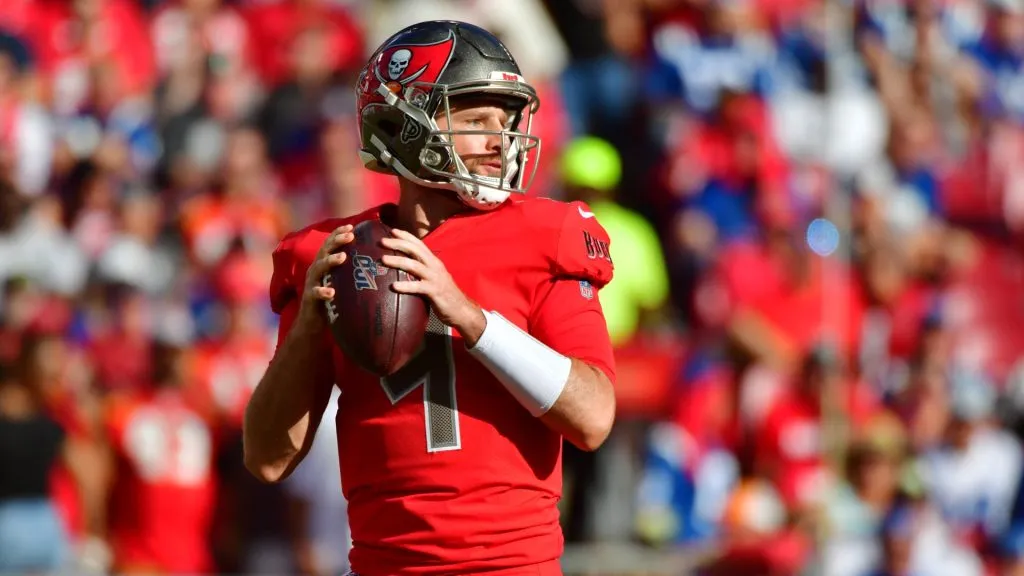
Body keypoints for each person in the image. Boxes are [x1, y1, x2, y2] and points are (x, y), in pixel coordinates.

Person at [243, 20, 617, 576]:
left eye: (505, 121)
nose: (499, 140)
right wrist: (307, 334)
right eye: (476, 120)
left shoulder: (546, 234)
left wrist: (471, 317)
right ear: (403, 125)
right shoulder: (337, 254)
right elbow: (268, 458)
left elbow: (593, 417)